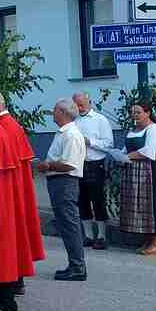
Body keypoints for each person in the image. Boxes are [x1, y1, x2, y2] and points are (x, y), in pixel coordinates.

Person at [0, 90, 41, 311]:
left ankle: (5, 296)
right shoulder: (8, 125)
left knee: (2, 243)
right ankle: (13, 282)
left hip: (3, 192)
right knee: (9, 241)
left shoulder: (1, 127)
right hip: (13, 190)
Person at [39, 99, 89, 281]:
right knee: (67, 224)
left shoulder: (71, 134)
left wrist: (48, 165)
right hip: (60, 181)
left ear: (63, 112)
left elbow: (70, 164)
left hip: (65, 181)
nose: (52, 113)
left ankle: (77, 266)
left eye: (55, 110)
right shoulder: (64, 133)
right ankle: (75, 264)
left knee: (70, 224)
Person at [120, 103, 156, 255]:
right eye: (132, 112)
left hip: (149, 172)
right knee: (140, 207)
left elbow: (149, 151)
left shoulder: (154, 129)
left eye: (138, 112)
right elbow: (126, 149)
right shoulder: (133, 131)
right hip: (133, 172)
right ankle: (148, 240)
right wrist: (120, 156)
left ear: (147, 113)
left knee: (152, 206)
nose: (134, 115)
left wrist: (127, 156)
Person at [72, 93, 116, 250]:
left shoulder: (100, 120)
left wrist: (90, 141)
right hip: (78, 163)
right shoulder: (73, 120)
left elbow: (108, 144)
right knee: (81, 200)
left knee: (97, 200)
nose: (80, 108)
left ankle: (102, 236)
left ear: (89, 102)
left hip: (95, 164)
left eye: (82, 105)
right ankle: (88, 235)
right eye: (77, 105)